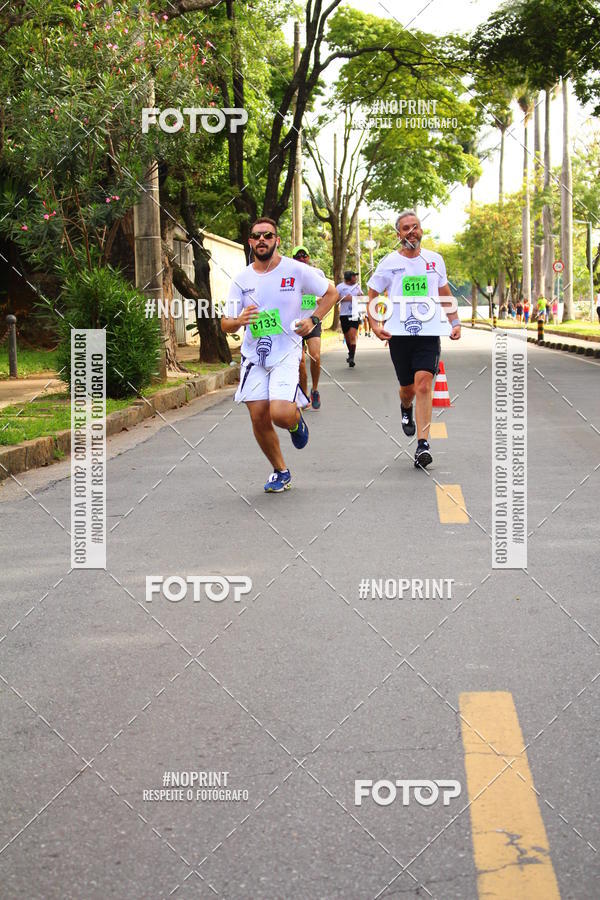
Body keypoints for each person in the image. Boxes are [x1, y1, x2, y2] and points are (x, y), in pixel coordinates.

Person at [222, 218, 338, 492]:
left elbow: (331, 293)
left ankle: (296, 422)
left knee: (280, 414)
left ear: (276, 240)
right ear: (250, 242)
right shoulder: (241, 280)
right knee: (258, 416)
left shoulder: (297, 270)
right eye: (256, 236)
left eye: (267, 235)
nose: (261, 240)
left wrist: (314, 319)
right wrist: (239, 321)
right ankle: (280, 471)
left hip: (286, 352)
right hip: (254, 357)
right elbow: (225, 324)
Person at [366, 210, 461, 470]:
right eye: (406, 228)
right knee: (408, 389)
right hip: (399, 333)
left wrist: (454, 321)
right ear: (399, 235)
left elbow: (443, 292)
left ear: (421, 230)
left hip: (428, 332)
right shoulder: (389, 262)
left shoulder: (435, 260)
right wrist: (374, 323)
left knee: (423, 384)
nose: (411, 232)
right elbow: (373, 292)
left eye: (415, 227)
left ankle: (423, 445)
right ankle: (405, 407)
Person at [292, 245, 325, 410]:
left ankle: (315, 390)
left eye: (304, 255)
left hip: (312, 321)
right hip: (295, 323)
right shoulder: (289, 274)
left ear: (309, 257)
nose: (301, 258)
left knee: (315, 356)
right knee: (300, 364)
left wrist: (319, 302)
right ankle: (303, 395)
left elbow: (326, 294)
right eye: (297, 256)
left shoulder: (317, 274)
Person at [337, 271, 362, 367]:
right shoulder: (340, 287)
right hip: (344, 314)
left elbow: (361, 297)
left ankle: (351, 357)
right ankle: (350, 352)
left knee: (352, 336)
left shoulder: (357, 287)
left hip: (355, 313)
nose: (355, 278)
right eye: (354, 276)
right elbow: (334, 297)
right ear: (348, 278)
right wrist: (344, 298)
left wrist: (359, 297)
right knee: (347, 337)